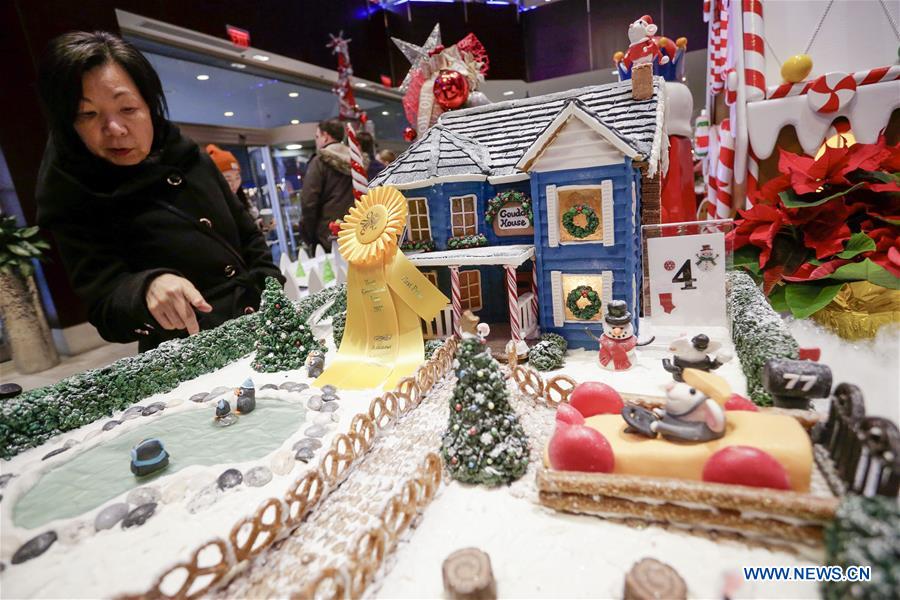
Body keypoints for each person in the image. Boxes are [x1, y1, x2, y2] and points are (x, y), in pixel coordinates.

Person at [35, 31, 283, 352]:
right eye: (88, 114)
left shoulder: (189, 155)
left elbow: (249, 237)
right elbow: (104, 307)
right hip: (186, 353)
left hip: (260, 323)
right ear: (67, 123)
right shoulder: (71, 191)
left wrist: (269, 293)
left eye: (127, 109)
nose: (115, 129)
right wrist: (146, 287)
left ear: (149, 105)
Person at [299, 119, 357, 252]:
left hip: (330, 234)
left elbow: (308, 202)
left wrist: (309, 235)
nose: (316, 141)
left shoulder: (319, 161)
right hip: (359, 227)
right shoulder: (357, 160)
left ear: (325, 136)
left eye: (317, 136)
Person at [206, 144, 261, 227]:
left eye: (237, 177)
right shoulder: (210, 205)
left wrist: (260, 225)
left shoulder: (242, 199)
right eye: (228, 179)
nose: (234, 183)